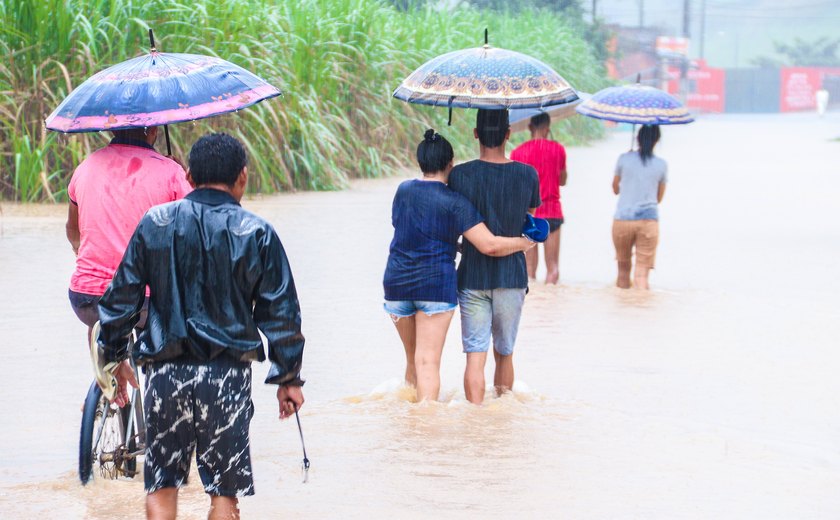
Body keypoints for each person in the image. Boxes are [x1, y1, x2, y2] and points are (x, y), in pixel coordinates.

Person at [97, 133, 305, 520]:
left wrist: (112, 357)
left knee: (161, 485)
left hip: (164, 374)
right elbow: (281, 312)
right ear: (243, 178)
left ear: (188, 176)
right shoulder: (257, 233)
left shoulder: (155, 223)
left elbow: (119, 300)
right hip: (226, 377)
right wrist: (287, 377)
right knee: (224, 494)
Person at [383, 129, 535, 403]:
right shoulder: (455, 202)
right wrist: (524, 244)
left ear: (421, 161)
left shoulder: (403, 190)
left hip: (396, 285)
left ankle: (408, 428)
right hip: (434, 288)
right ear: (450, 164)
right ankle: (426, 424)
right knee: (427, 361)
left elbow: (407, 229)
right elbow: (488, 244)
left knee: (413, 358)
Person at [448, 109, 541, 405]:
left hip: (472, 275)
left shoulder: (460, 175)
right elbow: (530, 224)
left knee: (475, 355)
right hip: (511, 277)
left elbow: (456, 224)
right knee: (505, 352)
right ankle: (502, 418)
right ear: (508, 133)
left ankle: (475, 422)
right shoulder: (528, 174)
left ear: (476, 133)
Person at [66, 127, 192, 341]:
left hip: (86, 296)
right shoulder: (171, 172)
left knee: (102, 327)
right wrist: (182, 174)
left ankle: (107, 368)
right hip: (146, 300)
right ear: (152, 129)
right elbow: (195, 230)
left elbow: (73, 233)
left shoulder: (85, 167)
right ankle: (142, 367)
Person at [510, 112, 568, 284]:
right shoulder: (558, 149)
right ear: (548, 128)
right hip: (552, 212)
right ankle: (551, 306)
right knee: (553, 267)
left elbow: (515, 186)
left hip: (529, 214)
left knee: (528, 270)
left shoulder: (518, 152)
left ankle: (535, 306)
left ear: (529, 127)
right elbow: (563, 181)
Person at [611, 124, 667, 290]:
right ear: (657, 140)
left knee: (622, 272)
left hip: (622, 220)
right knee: (641, 275)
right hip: (648, 221)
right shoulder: (661, 165)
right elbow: (658, 198)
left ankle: (622, 313)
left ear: (637, 138)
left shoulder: (623, 159)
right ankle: (641, 312)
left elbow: (615, 189)